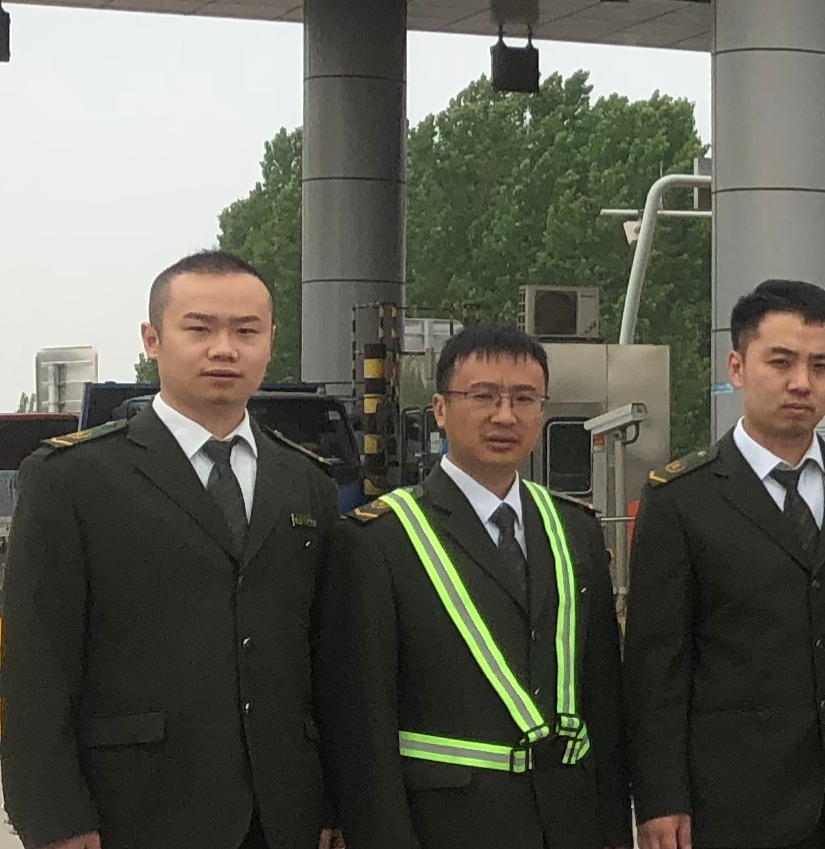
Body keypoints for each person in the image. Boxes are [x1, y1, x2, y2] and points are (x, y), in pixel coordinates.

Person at [0, 251, 344, 849]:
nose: (224, 349)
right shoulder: (73, 479)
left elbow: (329, 658)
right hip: (134, 811)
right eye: (200, 329)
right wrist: (54, 818)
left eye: (246, 332)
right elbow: (36, 664)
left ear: (270, 341)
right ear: (152, 339)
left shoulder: (306, 481)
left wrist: (337, 801)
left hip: (285, 814)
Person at [626, 280, 825, 849]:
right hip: (731, 800)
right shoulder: (682, 499)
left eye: (821, 366)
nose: (802, 382)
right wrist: (660, 798)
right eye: (780, 362)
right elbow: (655, 668)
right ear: (737, 367)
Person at [325, 324, 630, 849]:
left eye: (524, 399)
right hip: (447, 826)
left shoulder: (574, 530)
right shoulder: (380, 540)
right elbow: (363, 729)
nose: (505, 416)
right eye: (483, 396)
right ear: (441, 409)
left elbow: (601, 702)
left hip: (569, 823)